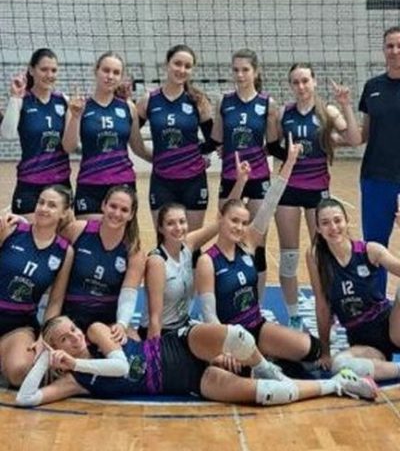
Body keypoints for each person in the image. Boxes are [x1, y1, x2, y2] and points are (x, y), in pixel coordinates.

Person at [15, 315, 377, 407]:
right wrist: (43, 360)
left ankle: (267, 366)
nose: (75, 336)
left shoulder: (96, 331)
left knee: (238, 337)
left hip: (178, 347)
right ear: (57, 350)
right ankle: (338, 384)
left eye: (73, 329)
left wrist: (75, 360)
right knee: (270, 395)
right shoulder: (74, 381)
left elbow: (121, 367)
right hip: (188, 382)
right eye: (64, 339)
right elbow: (26, 398)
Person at [195, 135, 323, 369]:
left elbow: (271, 201)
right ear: (221, 220)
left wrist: (290, 162)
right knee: (246, 371)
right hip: (230, 336)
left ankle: (267, 353)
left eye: (244, 223)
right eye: (234, 221)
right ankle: (261, 360)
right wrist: (226, 345)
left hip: (257, 327)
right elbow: (209, 315)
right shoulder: (207, 260)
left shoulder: (248, 243)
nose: (239, 227)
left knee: (312, 349)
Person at [273, 63, 361, 329]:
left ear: (314, 82)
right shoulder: (284, 113)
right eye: (296, 82)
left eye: (305, 81)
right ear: (290, 85)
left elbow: (355, 139)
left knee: (321, 253)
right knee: (289, 254)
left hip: (317, 191)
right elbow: (271, 145)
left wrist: (345, 105)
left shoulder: (327, 111)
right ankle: (294, 315)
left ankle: (327, 306)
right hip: (289, 189)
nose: (301, 86)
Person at [139, 154, 250, 340]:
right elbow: (154, 319)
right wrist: (154, 354)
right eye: (170, 223)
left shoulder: (187, 245)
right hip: (162, 334)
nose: (178, 228)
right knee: (219, 346)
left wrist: (241, 181)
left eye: (182, 222)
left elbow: (222, 220)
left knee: (230, 338)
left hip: (183, 326)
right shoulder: (157, 261)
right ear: (160, 228)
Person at [306, 197, 400, 382]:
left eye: (337, 220)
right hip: (364, 342)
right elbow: (322, 306)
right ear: (317, 228)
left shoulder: (370, 250)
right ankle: (395, 369)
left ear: (347, 221)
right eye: (325, 223)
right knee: (339, 365)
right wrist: (325, 352)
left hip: (392, 327)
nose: (333, 227)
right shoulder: (315, 256)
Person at [211, 49, 279, 295]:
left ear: (255, 72)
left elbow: (273, 144)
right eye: (236, 70)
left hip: (259, 178)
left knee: (257, 245)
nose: (240, 75)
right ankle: (230, 295)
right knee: (227, 240)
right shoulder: (224, 102)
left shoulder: (267, 103)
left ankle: (257, 304)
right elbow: (216, 139)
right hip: (231, 177)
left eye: (245, 70)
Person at [0, 186, 73, 387]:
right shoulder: (11, 229)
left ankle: (7, 357)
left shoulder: (64, 251)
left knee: (20, 372)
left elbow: (55, 302)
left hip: (18, 325)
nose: (43, 208)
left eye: (52, 205)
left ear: (64, 212)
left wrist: (44, 337)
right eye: (41, 202)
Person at [62, 52, 150, 218]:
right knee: (88, 234)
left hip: (122, 185)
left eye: (116, 72)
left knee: (120, 234)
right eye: (106, 70)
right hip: (90, 184)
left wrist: (165, 160)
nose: (110, 76)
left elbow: (138, 148)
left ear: (121, 77)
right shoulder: (79, 106)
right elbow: (68, 147)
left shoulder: (128, 107)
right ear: (96, 71)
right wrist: (75, 116)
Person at [136, 44, 213, 231]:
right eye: (177, 64)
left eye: (187, 66)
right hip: (162, 181)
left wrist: (200, 155)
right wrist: (152, 157)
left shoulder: (198, 100)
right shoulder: (149, 100)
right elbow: (127, 134)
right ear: (167, 64)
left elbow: (213, 140)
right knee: (164, 239)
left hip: (194, 181)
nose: (182, 70)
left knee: (191, 241)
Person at [59, 185, 145, 340]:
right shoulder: (78, 230)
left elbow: (128, 295)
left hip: (107, 320)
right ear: (103, 205)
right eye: (113, 206)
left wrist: (122, 324)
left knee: (135, 343)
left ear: (131, 215)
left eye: (124, 210)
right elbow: (44, 239)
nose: (117, 213)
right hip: (70, 316)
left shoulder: (134, 250)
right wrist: (21, 222)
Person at [0, 48, 71, 219]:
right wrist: (14, 98)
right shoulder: (22, 100)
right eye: (44, 69)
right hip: (30, 182)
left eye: (53, 70)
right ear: (32, 70)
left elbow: (72, 142)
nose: (49, 75)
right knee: (26, 233)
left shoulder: (64, 100)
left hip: (60, 182)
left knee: (60, 233)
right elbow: (7, 134)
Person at [359, 26, 400, 292]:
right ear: (383, 50)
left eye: (399, 46)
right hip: (376, 178)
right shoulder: (372, 87)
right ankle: (376, 305)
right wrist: (328, 137)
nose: (395, 51)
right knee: (374, 247)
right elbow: (363, 134)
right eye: (390, 46)